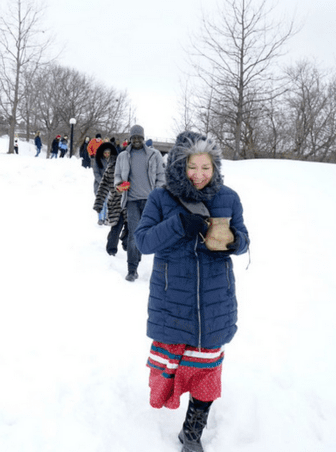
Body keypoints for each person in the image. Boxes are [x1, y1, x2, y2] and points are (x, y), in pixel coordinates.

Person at [133, 131, 249, 452]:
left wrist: (235, 242)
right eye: (191, 167)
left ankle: (192, 432)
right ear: (179, 166)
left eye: (206, 167)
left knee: (208, 367)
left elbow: (244, 240)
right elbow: (143, 242)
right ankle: (171, 401)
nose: (199, 174)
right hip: (173, 299)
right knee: (169, 367)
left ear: (215, 167)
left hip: (215, 298)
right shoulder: (161, 198)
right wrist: (178, 225)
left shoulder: (229, 197)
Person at [114, 125, 166, 281]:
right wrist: (119, 185)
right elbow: (117, 176)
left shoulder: (154, 154)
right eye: (134, 137)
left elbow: (161, 176)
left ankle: (144, 260)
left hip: (150, 202)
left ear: (143, 138)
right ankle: (132, 269)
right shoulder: (122, 156)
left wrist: (156, 194)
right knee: (133, 235)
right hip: (131, 201)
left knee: (150, 234)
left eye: (139, 137)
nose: (136, 140)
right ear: (130, 139)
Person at [93, 141, 128, 254]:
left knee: (131, 227)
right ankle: (111, 250)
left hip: (129, 203)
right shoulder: (111, 168)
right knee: (116, 228)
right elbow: (103, 186)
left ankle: (127, 242)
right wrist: (99, 203)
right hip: (116, 203)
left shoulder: (131, 170)